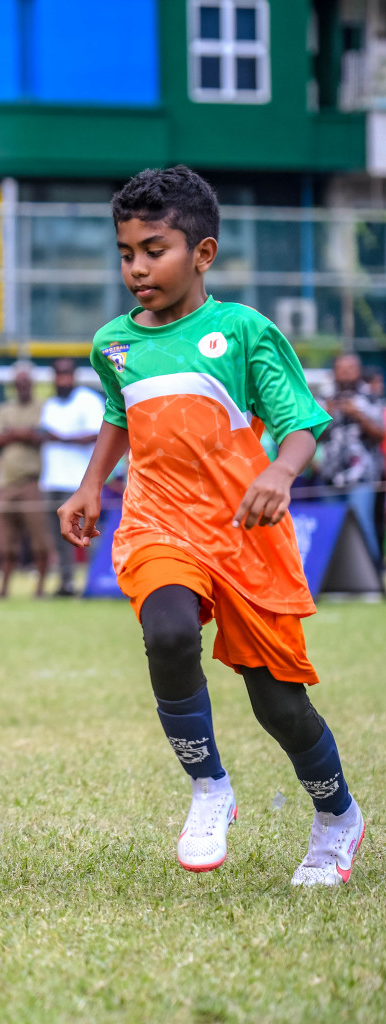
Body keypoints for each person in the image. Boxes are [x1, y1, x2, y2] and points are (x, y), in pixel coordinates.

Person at [59, 165, 364, 886]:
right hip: (158, 522)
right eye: (126, 251)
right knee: (166, 632)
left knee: (279, 705)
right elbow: (118, 414)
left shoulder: (244, 331)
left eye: (154, 249)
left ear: (203, 254)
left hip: (246, 536)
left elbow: (299, 425)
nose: (137, 267)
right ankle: (210, 787)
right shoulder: (112, 343)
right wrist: (88, 484)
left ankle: (337, 817)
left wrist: (280, 473)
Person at [0, 362, 56, 597]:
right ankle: (3, 588)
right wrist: (23, 433)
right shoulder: (4, 409)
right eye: (19, 382)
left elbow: (40, 435)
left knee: (39, 539)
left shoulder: (43, 407)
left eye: (26, 382)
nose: (23, 386)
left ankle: (40, 589)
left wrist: (12, 433)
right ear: (13, 385)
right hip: (5, 483)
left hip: (32, 482)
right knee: (5, 541)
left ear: (33, 384)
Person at [40, 357, 106, 595]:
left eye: (67, 374)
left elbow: (96, 436)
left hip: (78, 482)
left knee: (86, 534)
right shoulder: (50, 405)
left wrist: (61, 438)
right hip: (51, 480)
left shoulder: (88, 401)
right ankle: (66, 584)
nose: (63, 379)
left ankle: (97, 581)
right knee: (60, 539)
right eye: (58, 374)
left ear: (74, 376)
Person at [318, 352, 384, 563]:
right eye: (341, 368)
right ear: (334, 372)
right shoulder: (324, 398)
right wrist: (325, 415)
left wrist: (358, 414)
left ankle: (371, 579)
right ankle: (334, 581)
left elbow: (381, 433)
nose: (345, 373)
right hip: (330, 475)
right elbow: (313, 437)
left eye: (350, 368)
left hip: (361, 476)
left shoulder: (370, 397)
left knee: (362, 524)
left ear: (358, 370)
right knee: (330, 529)